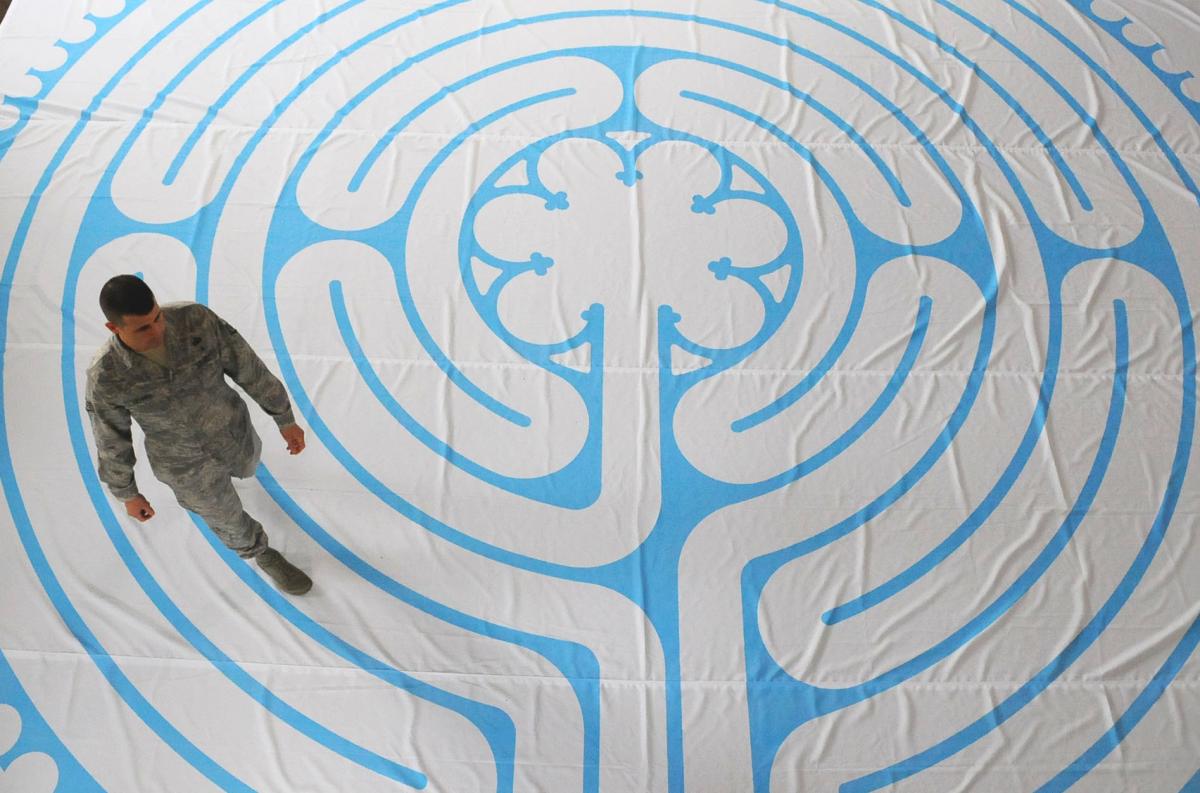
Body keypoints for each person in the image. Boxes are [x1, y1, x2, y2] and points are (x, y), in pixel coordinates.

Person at [85, 274, 313, 595]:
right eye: (143, 328)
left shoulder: (196, 320)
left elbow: (248, 366)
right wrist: (127, 493)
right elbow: (110, 438)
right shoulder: (107, 376)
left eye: (157, 318)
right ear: (114, 328)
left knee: (248, 467)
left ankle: (243, 476)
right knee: (225, 517)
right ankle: (261, 553)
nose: (158, 330)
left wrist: (283, 417)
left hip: (234, 433)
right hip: (184, 465)